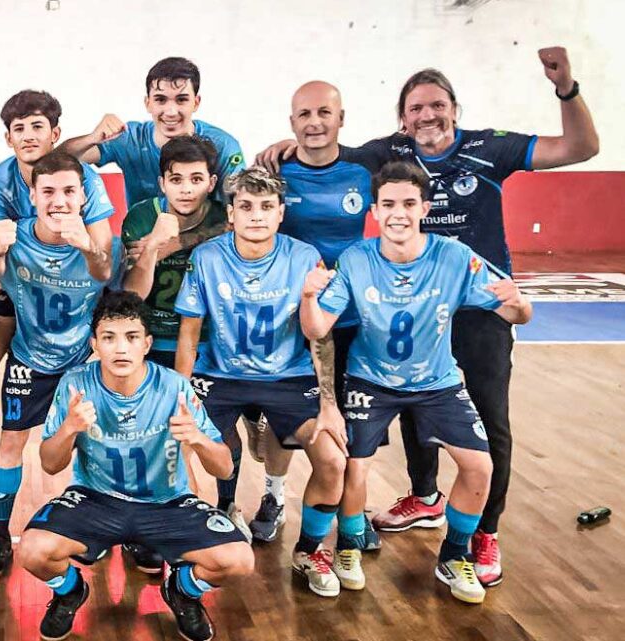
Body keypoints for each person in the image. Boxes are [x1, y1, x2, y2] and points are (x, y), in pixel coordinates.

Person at [257, 49, 598, 585]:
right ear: (402, 119)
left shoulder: (491, 147)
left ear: (454, 110)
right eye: (415, 109)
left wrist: (566, 88)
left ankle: (484, 533)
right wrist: (287, 149)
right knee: (412, 400)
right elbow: (323, 147)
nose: (426, 116)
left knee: (484, 420)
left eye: (437, 106)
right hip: (405, 298)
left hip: (474, 296)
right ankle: (423, 495)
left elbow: (582, 147)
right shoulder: (388, 154)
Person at [300, 161, 533, 604]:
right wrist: (310, 296)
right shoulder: (356, 259)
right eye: (388, 204)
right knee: (355, 466)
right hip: (371, 379)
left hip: (437, 381)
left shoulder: (453, 256)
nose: (399, 213)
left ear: (424, 207)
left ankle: (454, 554)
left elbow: (516, 313)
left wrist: (519, 303)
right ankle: (348, 546)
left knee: (480, 466)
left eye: (409, 203)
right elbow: (317, 328)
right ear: (374, 210)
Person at [18, 291, 252, 641]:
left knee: (239, 560)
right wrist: (69, 428)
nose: (121, 349)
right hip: (95, 500)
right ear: (95, 343)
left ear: (147, 343)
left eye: (131, 337)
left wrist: (198, 439)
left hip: (166, 503)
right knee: (32, 551)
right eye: (109, 338)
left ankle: (183, 591)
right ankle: (69, 591)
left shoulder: (175, 387)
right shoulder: (75, 384)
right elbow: (50, 465)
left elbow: (223, 469)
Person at [174, 167, 350, 597]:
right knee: (182, 444)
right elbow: (189, 333)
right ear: (230, 214)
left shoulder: (304, 257)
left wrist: (329, 404)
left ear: (281, 213)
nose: (256, 216)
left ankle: (309, 550)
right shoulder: (208, 257)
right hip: (221, 374)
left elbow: (319, 335)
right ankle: (212, 521)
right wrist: (177, 395)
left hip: (287, 377)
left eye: (266, 207)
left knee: (332, 458)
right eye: (246, 207)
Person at [0, 151, 121, 582]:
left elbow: (105, 270)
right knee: (11, 443)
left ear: (83, 195)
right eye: (48, 191)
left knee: (99, 445)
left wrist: (88, 246)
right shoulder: (18, 235)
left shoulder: (98, 241)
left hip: (83, 364)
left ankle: (102, 529)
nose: (59, 200)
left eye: (69, 191)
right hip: (30, 360)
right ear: (33, 195)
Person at [0, 90, 114, 491]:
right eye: (18, 129)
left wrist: (88, 249)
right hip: (24, 274)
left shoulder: (84, 177)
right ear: (8, 138)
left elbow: (103, 252)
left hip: (76, 278)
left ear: (55, 133)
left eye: (37, 126)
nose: (28, 136)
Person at [248, 80, 387, 548]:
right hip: (290, 317)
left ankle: (353, 508)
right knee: (286, 422)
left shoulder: (367, 168)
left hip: (350, 320)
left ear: (341, 119)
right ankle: (273, 495)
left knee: (350, 419)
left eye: (324, 113)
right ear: (291, 123)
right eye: (303, 115)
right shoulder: (275, 170)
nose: (314, 123)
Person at [118, 133, 227, 572]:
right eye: (176, 179)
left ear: (211, 181)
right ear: (161, 182)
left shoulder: (226, 216)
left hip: (206, 346)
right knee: (141, 439)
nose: (185, 188)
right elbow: (133, 292)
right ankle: (134, 525)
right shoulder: (142, 216)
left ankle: (207, 516)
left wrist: (183, 241)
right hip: (149, 342)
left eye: (196, 179)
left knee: (202, 436)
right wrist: (155, 248)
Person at [59, 56, 245, 206]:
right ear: (147, 103)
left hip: (205, 246)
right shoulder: (129, 139)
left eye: (181, 100)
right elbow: (57, 162)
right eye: (160, 100)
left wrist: (177, 243)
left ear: (196, 102)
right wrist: (92, 138)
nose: (171, 112)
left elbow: (238, 212)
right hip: (140, 243)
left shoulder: (224, 146)